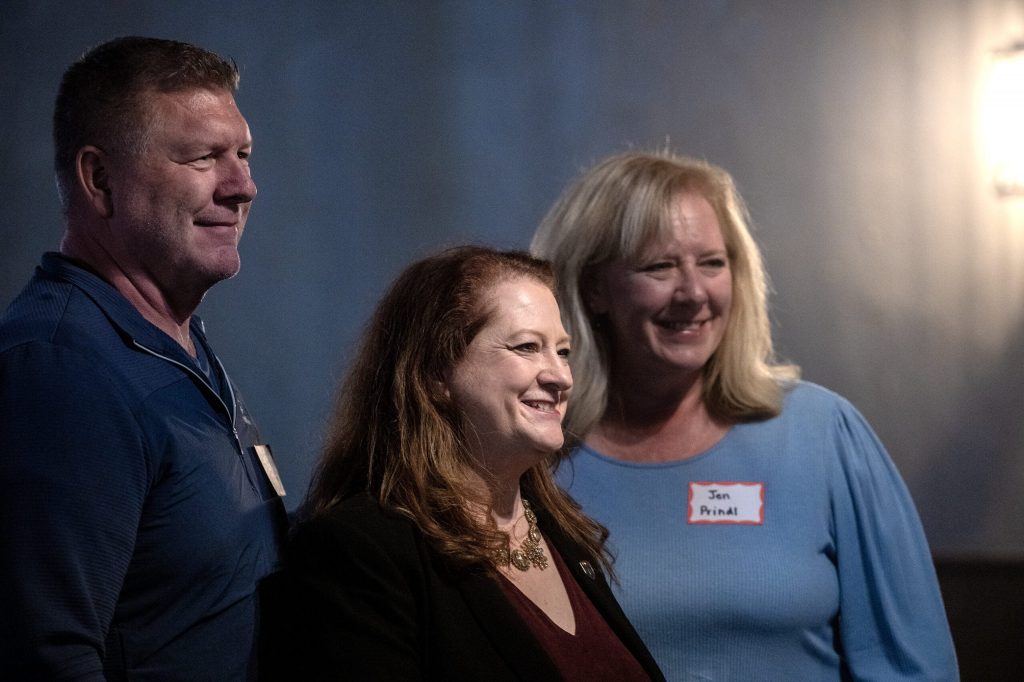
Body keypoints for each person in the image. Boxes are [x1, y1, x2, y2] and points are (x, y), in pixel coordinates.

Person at [530, 151, 959, 680]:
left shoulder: (823, 433)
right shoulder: (539, 456)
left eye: (712, 262)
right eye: (659, 266)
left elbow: (913, 666)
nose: (693, 293)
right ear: (594, 289)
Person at [0, 37, 287, 680]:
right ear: (100, 178)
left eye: (242, 155)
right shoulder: (60, 372)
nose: (243, 187)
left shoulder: (170, 339)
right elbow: (44, 656)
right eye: (204, 158)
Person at [263, 246, 664, 680]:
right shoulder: (359, 551)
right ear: (437, 372)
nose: (560, 377)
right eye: (527, 347)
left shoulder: (560, 530)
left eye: (562, 351)